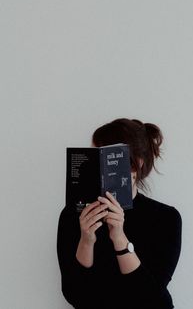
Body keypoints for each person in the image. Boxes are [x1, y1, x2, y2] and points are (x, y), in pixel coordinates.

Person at [57, 118, 182, 309]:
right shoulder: (73, 215)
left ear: (136, 166)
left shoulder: (165, 218)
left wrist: (119, 238)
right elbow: (74, 293)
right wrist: (86, 240)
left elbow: (151, 297)